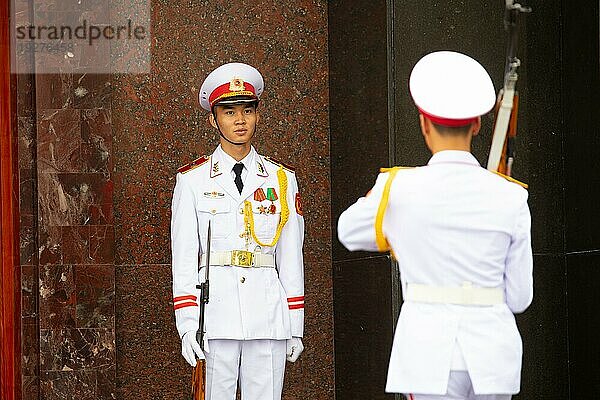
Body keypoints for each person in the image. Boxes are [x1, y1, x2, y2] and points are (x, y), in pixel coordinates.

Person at [337, 51, 533, 400]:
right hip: (493, 356)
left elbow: (349, 231)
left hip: (429, 355)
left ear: (424, 123)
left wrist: (387, 209)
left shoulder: (398, 188)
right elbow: (519, 298)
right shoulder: (511, 196)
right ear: (477, 124)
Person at [171, 62, 305, 400]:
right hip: (215, 315)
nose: (240, 120)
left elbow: (291, 255)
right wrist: (187, 324)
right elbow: (184, 257)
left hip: (268, 314)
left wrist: (295, 324)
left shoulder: (280, 179)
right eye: (229, 112)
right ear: (213, 119)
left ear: (258, 114)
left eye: (247, 110)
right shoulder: (193, 181)